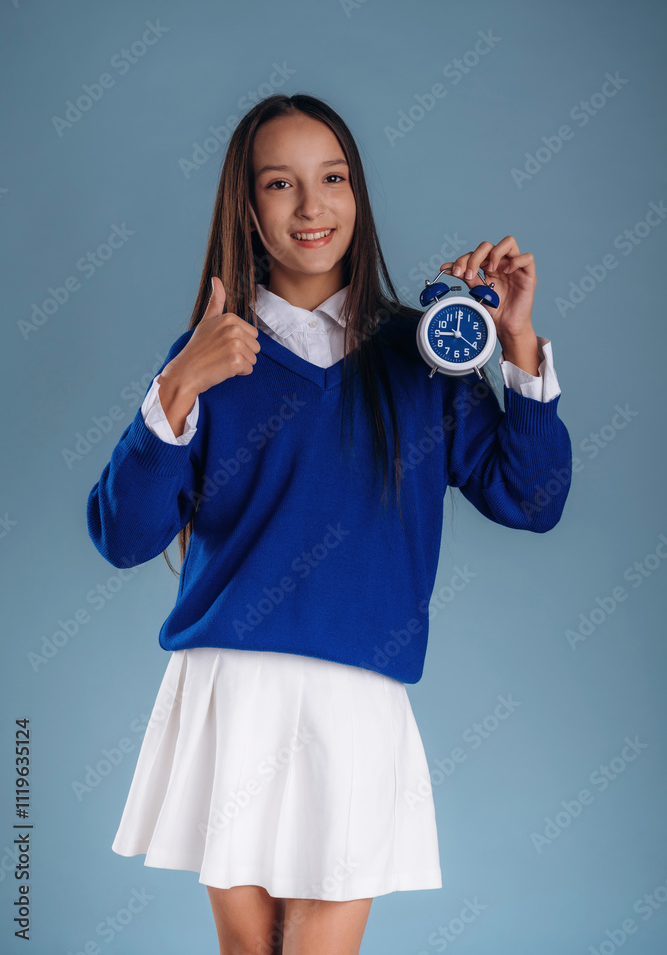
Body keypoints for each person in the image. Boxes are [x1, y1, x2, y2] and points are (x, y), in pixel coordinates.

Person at [86, 92, 571, 955]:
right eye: (280, 183)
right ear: (247, 207)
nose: (312, 206)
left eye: (333, 178)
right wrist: (177, 386)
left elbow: (531, 501)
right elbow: (124, 538)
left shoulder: (423, 355)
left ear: (357, 193)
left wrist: (517, 346)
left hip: (356, 694)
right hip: (229, 686)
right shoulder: (207, 356)